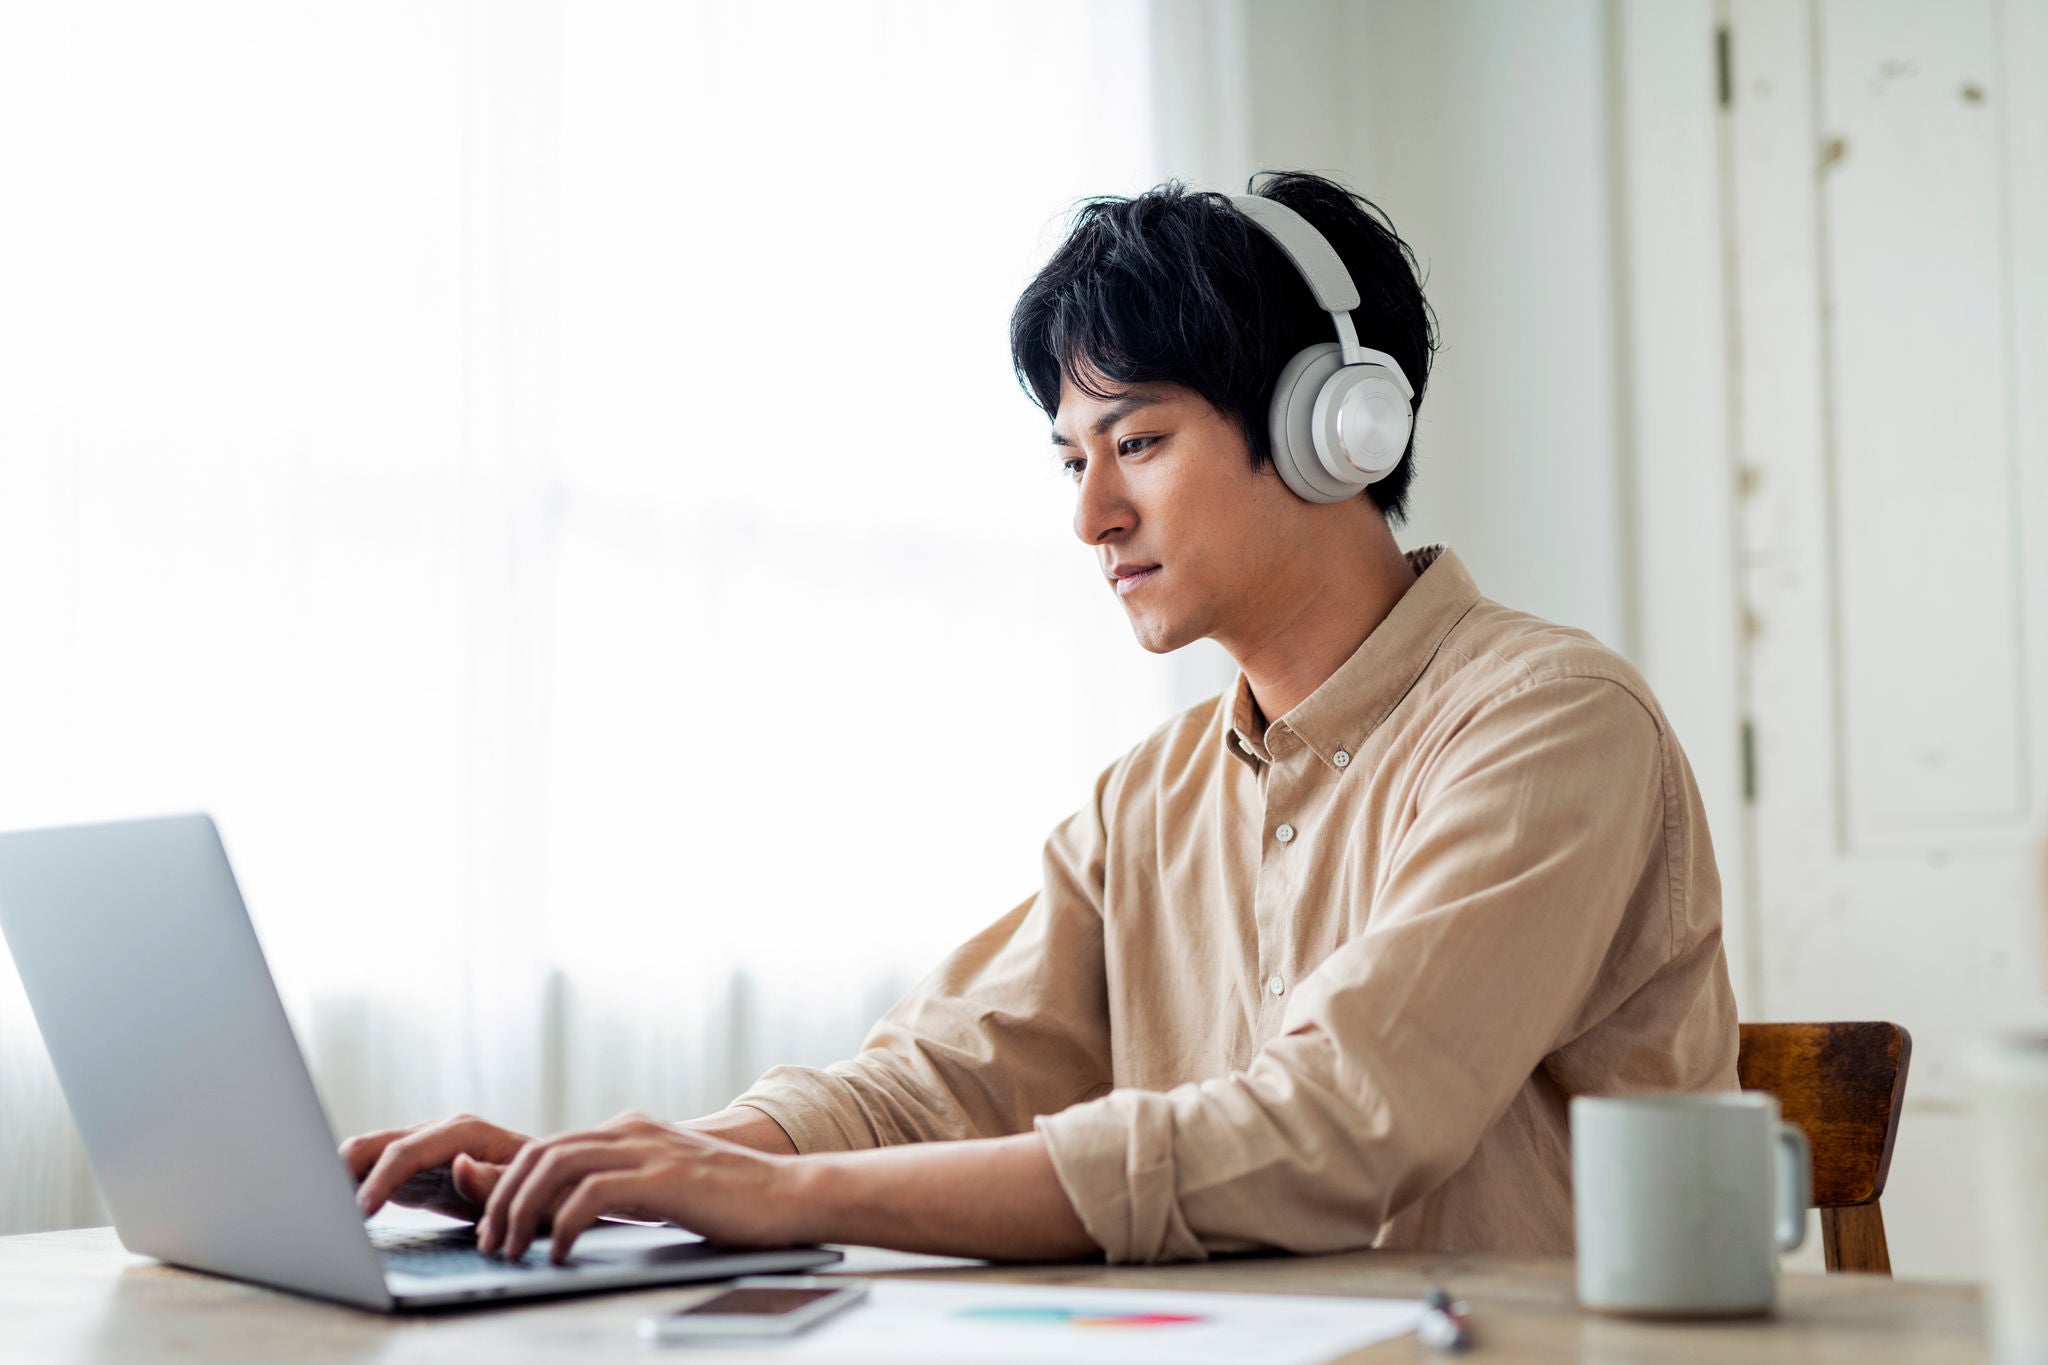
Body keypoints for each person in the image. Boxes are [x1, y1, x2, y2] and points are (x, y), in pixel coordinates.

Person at [346, 171, 1738, 1267]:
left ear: (1339, 427)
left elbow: (1338, 1125)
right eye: (1072, 460)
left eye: (1135, 442)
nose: (1090, 517)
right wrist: (624, 1166)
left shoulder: (1551, 724)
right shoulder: (1151, 799)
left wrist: (775, 1193)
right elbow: (941, 1075)